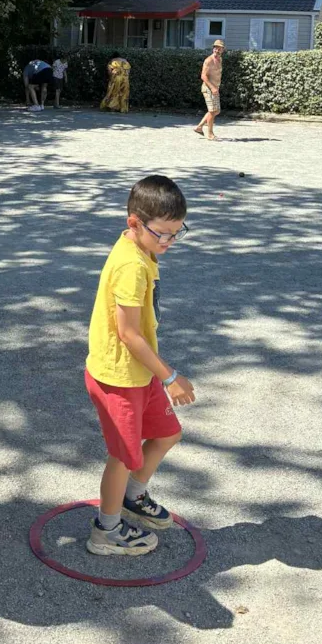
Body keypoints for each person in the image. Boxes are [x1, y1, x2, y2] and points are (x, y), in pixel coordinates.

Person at [84, 175, 195, 556]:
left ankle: (133, 496)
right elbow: (129, 334)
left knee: (167, 433)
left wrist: (157, 372)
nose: (169, 242)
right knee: (123, 457)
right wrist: (172, 377)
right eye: (162, 234)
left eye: (176, 233)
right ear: (134, 222)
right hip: (119, 376)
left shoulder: (141, 249)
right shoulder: (130, 264)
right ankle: (106, 530)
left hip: (139, 370)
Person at [195, 40, 225, 140]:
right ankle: (210, 134)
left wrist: (216, 88)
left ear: (222, 50)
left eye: (219, 48)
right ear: (213, 48)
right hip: (208, 88)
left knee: (216, 111)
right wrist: (212, 87)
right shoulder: (208, 60)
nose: (217, 49)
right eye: (216, 47)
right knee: (212, 111)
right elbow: (203, 76)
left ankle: (199, 127)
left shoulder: (220, 59)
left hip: (215, 89)